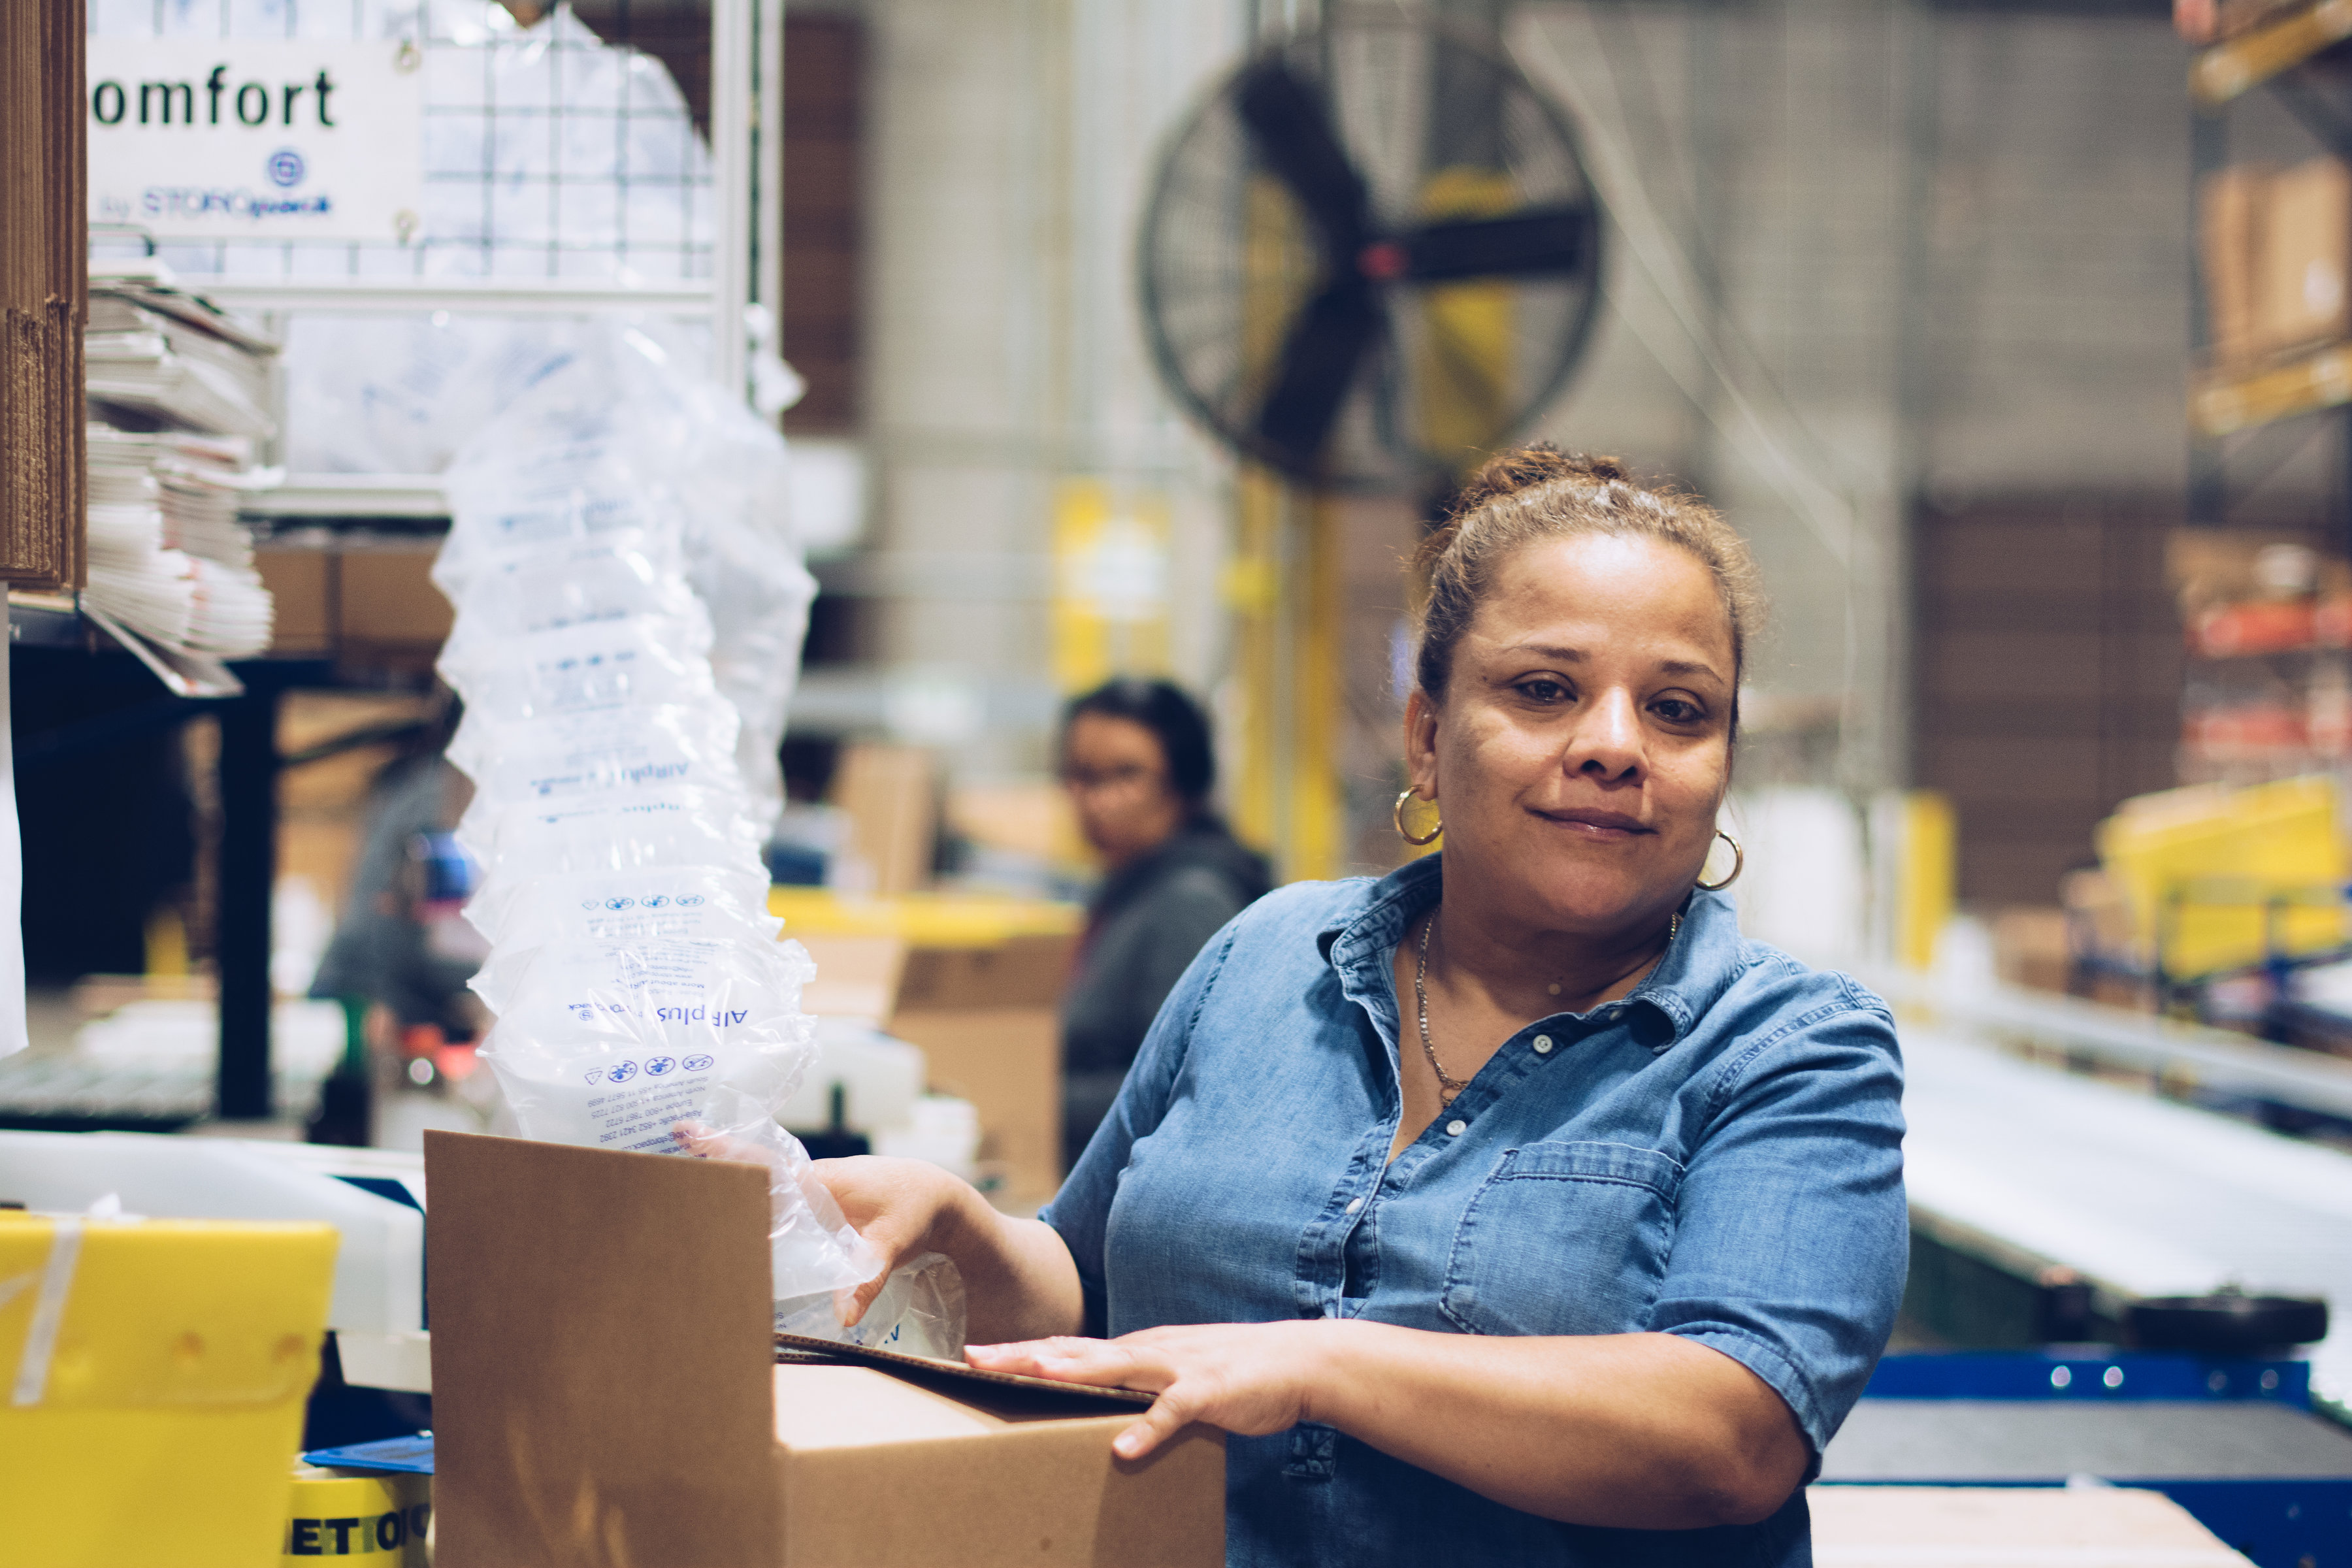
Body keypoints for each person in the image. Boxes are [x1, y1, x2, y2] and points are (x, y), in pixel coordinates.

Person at [808, 448, 1907, 1566]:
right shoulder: (1267, 956)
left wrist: (1315, 1365)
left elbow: (1732, 1437)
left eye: (1678, 709)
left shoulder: (1792, 1047)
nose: (1615, 746)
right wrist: (959, 1233)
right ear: (1427, 737)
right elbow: (1086, 1284)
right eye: (1544, 690)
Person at [1055, 678, 1271, 1164]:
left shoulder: (1192, 901)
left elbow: (1184, 1087)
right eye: (1083, 776)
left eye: (1126, 775)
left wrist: (1030, 1099)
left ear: (1185, 780)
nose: (1098, 800)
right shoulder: (1130, 883)